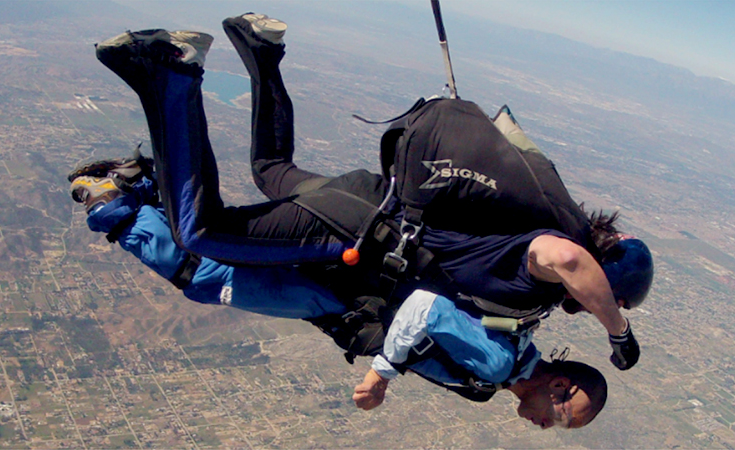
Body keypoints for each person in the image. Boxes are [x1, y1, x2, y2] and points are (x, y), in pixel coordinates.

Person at [83, 13, 651, 376]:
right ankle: (173, 72)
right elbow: (569, 260)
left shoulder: (529, 223)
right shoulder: (543, 265)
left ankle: (261, 50)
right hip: (349, 231)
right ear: (604, 288)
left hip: (367, 202)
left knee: (271, 168)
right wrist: (619, 335)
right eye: (607, 300)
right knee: (202, 232)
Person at [69, 177, 606, 429]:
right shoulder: (497, 363)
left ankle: (136, 194)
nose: (548, 427)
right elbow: (425, 311)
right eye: (562, 416)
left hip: (353, 279)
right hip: (332, 300)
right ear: (560, 384)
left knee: (228, 243)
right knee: (205, 276)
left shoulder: (521, 331)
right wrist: (381, 375)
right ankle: (115, 204)